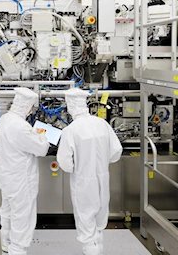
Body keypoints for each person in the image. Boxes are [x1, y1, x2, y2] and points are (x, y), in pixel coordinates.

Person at [57, 88, 123, 255]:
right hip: (103, 177)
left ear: (70, 106)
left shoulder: (70, 130)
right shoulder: (102, 124)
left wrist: (77, 168)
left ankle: (91, 250)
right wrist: (101, 164)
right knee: (100, 216)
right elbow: (116, 151)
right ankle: (98, 247)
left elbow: (64, 162)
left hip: (83, 180)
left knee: (86, 218)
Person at [0, 87, 50, 255]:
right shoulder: (21, 126)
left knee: (7, 210)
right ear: (27, 107)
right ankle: (17, 250)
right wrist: (43, 136)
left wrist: (33, 134)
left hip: (7, 177)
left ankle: (6, 243)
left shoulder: (5, 119)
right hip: (21, 180)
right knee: (23, 215)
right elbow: (41, 149)